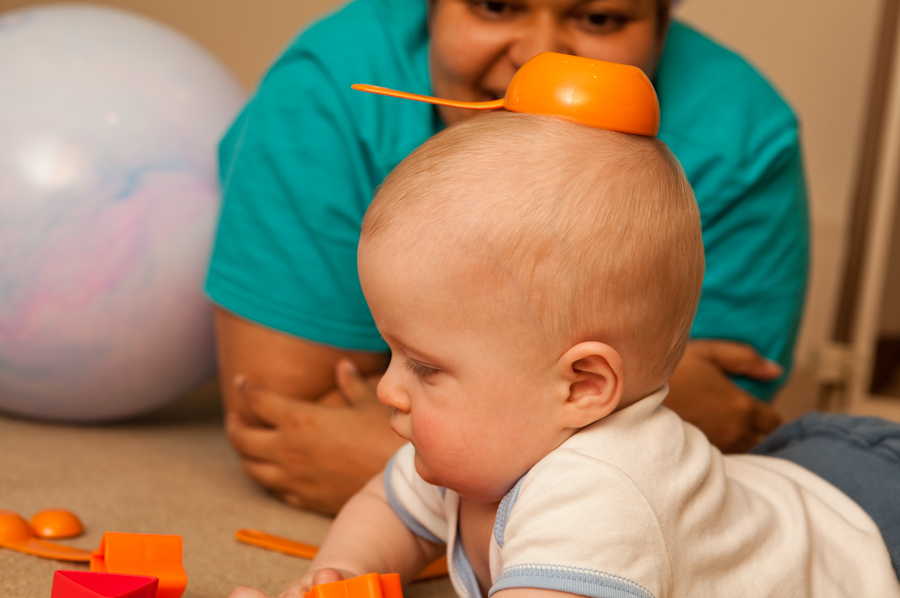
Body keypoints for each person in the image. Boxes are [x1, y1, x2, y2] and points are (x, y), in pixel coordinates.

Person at [228, 113, 898, 598]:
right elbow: (389, 507)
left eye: (425, 367)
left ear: (581, 385)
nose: (388, 391)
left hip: (870, 520)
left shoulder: (602, 498)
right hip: (785, 482)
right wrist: (338, 576)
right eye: (392, 355)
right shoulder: (484, 441)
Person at [207, 0, 808, 514]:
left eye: (599, 17)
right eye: (496, 5)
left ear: (662, 23)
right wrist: (668, 397)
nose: (540, 56)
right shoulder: (329, 87)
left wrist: (393, 461)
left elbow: (709, 435)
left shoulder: (746, 139)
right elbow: (285, 422)